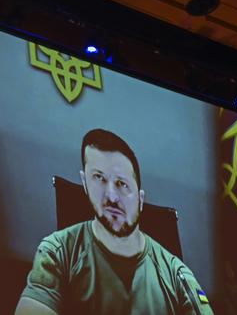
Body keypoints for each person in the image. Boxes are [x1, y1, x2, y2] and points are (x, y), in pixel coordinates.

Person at [16, 129, 213, 315]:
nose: (111, 196)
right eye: (99, 178)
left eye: (122, 184)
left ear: (140, 199)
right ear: (85, 183)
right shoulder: (58, 251)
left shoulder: (176, 274)